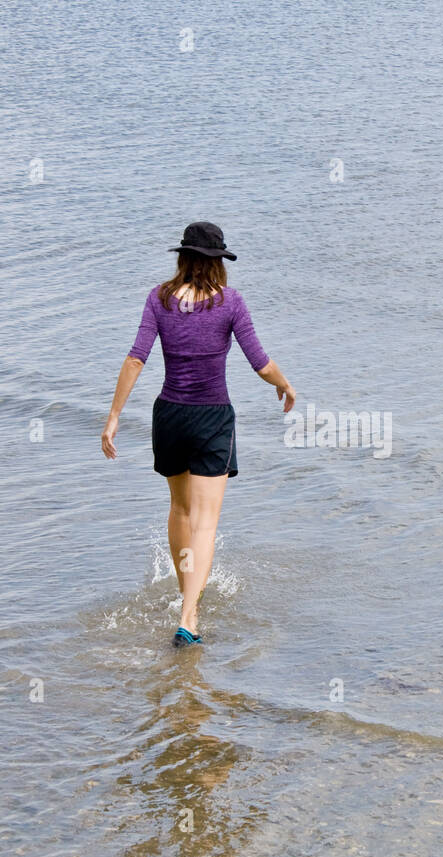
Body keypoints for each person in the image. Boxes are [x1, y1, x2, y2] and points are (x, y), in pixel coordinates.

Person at [101, 222, 296, 647]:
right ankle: (189, 616)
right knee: (205, 524)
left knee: (180, 511)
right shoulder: (230, 303)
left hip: (169, 415)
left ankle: (185, 597)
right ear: (218, 263)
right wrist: (283, 384)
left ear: (182, 258)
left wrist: (114, 416)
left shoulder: (159, 298)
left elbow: (136, 359)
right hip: (211, 419)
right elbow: (261, 364)